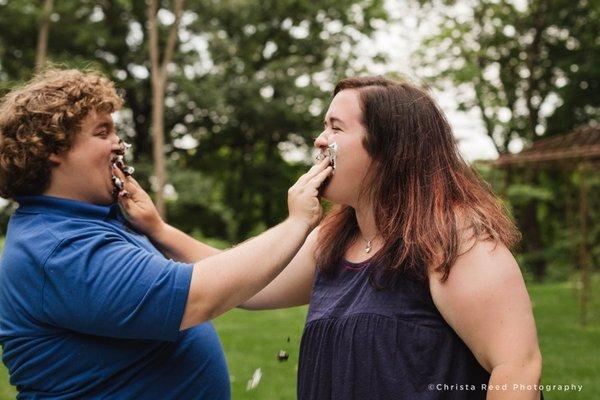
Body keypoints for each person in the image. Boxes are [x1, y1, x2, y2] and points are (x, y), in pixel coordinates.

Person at [0, 69, 332, 399]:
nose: (119, 144)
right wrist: (296, 223)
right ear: (53, 149)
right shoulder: (59, 248)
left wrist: (158, 229)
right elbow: (199, 296)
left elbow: (214, 279)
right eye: (103, 132)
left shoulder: (93, 220)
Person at [237, 77, 544, 399]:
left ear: (389, 147)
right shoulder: (334, 241)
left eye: (335, 128)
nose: (319, 140)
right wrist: (175, 241)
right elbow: (244, 285)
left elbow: (517, 368)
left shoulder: (455, 240)